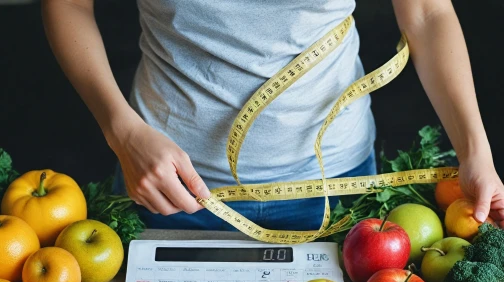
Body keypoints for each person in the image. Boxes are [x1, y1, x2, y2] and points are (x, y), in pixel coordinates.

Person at [41, 0, 504, 232]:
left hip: (338, 188)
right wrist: (121, 131)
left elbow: (426, 12)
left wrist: (475, 152)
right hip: (165, 188)